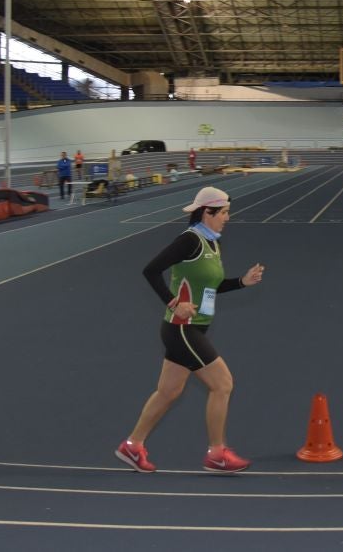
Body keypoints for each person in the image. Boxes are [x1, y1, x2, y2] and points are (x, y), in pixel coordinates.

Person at [115, 186, 265, 474]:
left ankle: (132, 446)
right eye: (223, 213)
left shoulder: (213, 243)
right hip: (183, 329)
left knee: (168, 392)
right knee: (222, 384)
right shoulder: (189, 240)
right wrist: (174, 303)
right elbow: (150, 270)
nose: (227, 218)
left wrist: (242, 282)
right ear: (207, 212)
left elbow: (211, 287)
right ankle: (217, 453)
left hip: (191, 329)